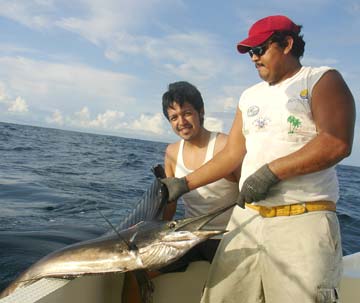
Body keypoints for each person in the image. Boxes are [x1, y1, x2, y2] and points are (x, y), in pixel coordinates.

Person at [161, 15, 356, 302]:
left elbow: (336, 142)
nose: (253, 58)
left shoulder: (321, 79)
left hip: (303, 217)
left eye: (260, 49)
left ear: (287, 44)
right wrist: (182, 184)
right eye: (250, 52)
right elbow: (232, 154)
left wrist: (272, 172)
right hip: (247, 219)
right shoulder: (248, 96)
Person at [122, 81, 239, 303]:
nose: (181, 122)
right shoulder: (172, 152)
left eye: (187, 113)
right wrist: (155, 237)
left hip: (227, 237)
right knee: (135, 270)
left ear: (201, 112)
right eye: (174, 117)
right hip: (189, 236)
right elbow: (171, 203)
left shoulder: (225, 146)